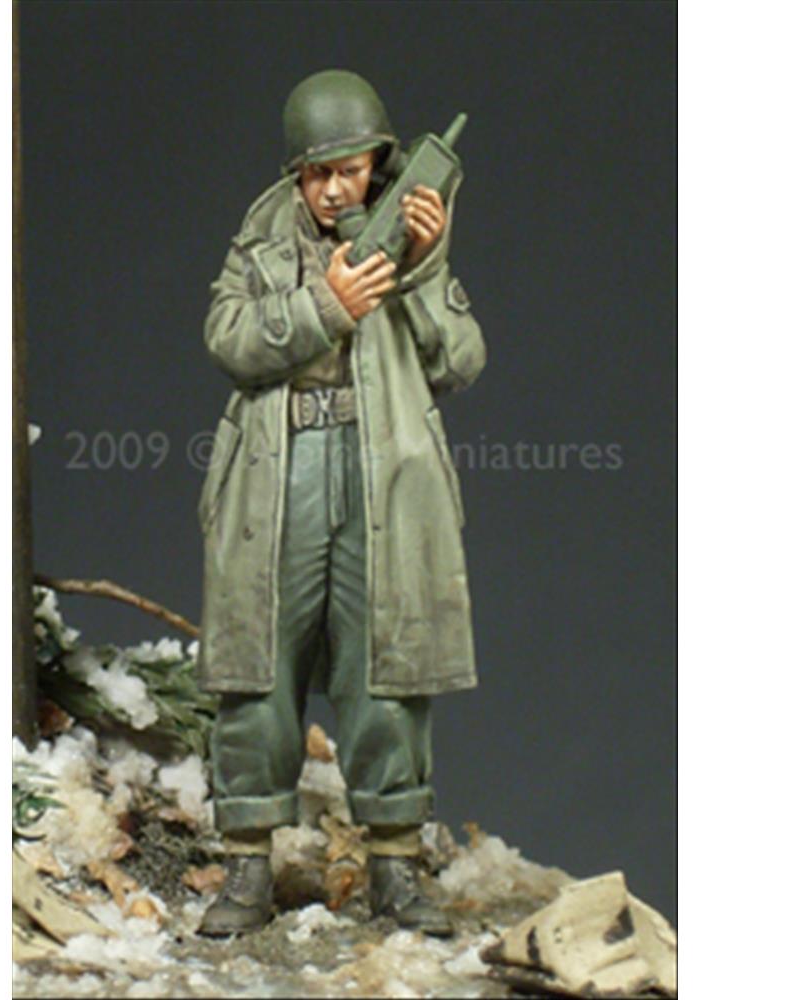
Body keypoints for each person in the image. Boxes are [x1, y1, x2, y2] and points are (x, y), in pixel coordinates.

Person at [195, 69, 485, 936]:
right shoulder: (261, 240)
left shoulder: (407, 244)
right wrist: (325, 304)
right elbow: (228, 337)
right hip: (278, 472)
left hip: (380, 472)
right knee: (258, 670)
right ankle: (248, 868)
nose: (332, 189)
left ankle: (395, 865)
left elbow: (460, 362)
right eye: (317, 172)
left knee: (383, 664)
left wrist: (423, 270)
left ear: (379, 166)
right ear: (296, 173)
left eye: (350, 171)